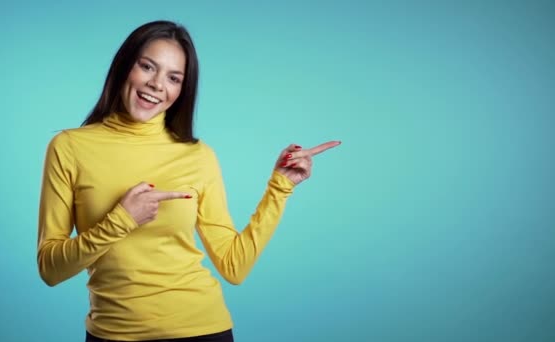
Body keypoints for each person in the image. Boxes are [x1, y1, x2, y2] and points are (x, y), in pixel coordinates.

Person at [37, 20, 340, 342]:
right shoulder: (69, 148)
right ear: (125, 66)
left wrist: (280, 187)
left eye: (173, 77)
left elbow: (233, 266)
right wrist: (121, 220)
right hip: (111, 333)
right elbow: (50, 269)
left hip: (202, 330)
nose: (156, 84)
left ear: (182, 90)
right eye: (147, 67)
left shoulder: (198, 156)